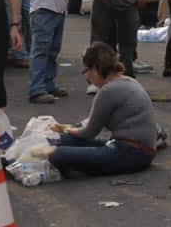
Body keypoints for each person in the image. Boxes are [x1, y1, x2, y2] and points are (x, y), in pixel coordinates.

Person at [47, 43, 159, 178]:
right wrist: (68, 130)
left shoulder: (107, 91)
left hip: (131, 153)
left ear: (95, 68)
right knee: (58, 140)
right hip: (136, 149)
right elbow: (91, 123)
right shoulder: (127, 80)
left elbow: (88, 132)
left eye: (86, 70)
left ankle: (77, 165)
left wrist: (67, 129)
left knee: (56, 153)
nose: (86, 77)